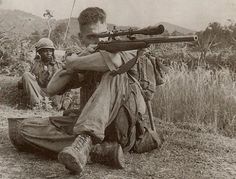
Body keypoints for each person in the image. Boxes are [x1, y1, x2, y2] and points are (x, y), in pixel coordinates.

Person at [11, 7, 163, 175]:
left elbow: (111, 62)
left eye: (102, 35)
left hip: (120, 129)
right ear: (80, 37)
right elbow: (52, 88)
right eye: (91, 37)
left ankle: (86, 140)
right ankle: (99, 151)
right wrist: (78, 59)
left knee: (114, 74)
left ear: (108, 30)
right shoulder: (83, 56)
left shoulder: (127, 48)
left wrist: (75, 63)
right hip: (89, 125)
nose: (98, 41)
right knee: (24, 128)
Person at [18, 38, 71, 109]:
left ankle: (53, 105)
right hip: (38, 92)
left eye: (50, 51)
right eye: (45, 51)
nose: (49, 53)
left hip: (54, 94)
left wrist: (67, 99)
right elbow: (21, 83)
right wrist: (28, 80)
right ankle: (37, 104)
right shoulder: (33, 64)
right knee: (26, 75)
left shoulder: (59, 65)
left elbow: (67, 84)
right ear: (39, 52)